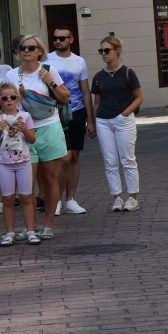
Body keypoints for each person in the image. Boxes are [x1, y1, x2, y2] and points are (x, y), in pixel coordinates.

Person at [5, 34, 70, 239]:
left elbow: (65, 97)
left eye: (31, 48)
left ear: (39, 51)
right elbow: (5, 104)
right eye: (23, 47)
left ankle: (48, 226)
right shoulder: (12, 76)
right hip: (24, 131)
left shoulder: (49, 71)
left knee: (51, 178)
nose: (26, 50)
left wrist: (51, 82)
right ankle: (30, 227)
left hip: (49, 127)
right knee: (27, 184)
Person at [87, 36, 143, 212]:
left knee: (128, 160)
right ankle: (117, 197)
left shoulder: (128, 72)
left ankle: (132, 198)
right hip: (103, 121)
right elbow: (97, 102)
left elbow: (139, 97)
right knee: (110, 161)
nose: (103, 54)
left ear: (117, 51)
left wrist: (125, 113)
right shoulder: (98, 76)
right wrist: (93, 122)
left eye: (107, 50)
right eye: (101, 51)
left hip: (123, 120)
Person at [47, 25, 93, 215]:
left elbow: (85, 91)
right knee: (62, 158)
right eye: (55, 38)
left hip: (77, 112)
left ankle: (70, 200)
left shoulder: (79, 61)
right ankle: (56, 200)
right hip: (54, 113)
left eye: (62, 38)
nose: (58, 41)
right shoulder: (47, 60)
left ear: (71, 40)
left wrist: (91, 120)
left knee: (73, 157)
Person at [0, 83, 38, 246]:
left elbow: (32, 139)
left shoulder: (25, 116)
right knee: (7, 199)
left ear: (18, 99)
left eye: (12, 97)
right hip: (4, 163)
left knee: (26, 197)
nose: (9, 101)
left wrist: (25, 130)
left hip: (23, 162)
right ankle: (10, 233)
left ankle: (30, 231)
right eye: (4, 98)